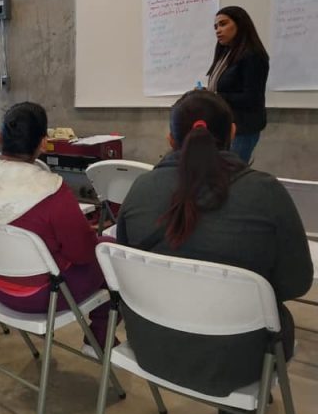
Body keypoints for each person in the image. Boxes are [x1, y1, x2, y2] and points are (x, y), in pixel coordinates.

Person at [116, 89, 312, 398]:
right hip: (240, 362)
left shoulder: (141, 190)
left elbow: (124, 274)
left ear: (170, 140)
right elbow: (296, 283)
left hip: (152, 347)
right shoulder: (266, 193)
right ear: (233, 133)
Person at [0, 102, 112, 351]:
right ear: (43, 143)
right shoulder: (52, 190)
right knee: (109, 249)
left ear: (0, 137)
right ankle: (99, 336)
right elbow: (82, 253)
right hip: (41, 296)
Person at [206, 6, 269, 164]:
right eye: (216, 27)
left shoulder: (253, 55)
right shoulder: (225, 54)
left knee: (232, 175)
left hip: (243, 128)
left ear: (240, 24)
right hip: (225, 125)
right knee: (220, 173)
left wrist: (215, 97)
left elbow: (252, 98)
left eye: (223, 24)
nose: (218, 30)